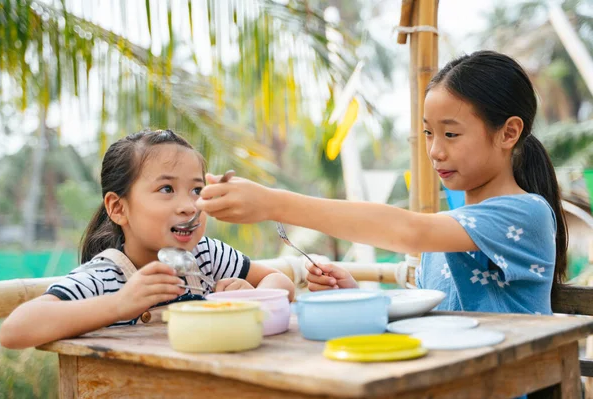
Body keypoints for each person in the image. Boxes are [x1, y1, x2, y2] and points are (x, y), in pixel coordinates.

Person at [196, 51, 567, 316]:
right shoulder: (444, 233)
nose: (435, 151)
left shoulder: (525, 213)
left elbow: (409, 231)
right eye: (427, 133)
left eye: (451, 134)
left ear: (509, 133)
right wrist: (354, 292)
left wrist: (273, 204)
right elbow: (430, 316)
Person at [0, 129, 295, 349]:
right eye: (167, 189)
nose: (189, 206)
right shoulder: (104, 278)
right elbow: (14, 331)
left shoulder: (206, 256)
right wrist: (120, 303)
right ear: (118, 208)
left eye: (196, 190)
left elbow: (280, 282)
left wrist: (248, 297)